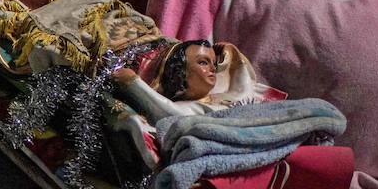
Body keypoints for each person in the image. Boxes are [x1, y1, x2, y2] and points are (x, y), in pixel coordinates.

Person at [113, 38, 267, 122]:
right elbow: (169, 113)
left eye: (213, 63)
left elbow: (244, 82)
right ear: (179, 73)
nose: (213, 68)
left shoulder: (224, 92)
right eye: (203, 62)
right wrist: (134, 83)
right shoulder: (190, 107)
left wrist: (229, 50)